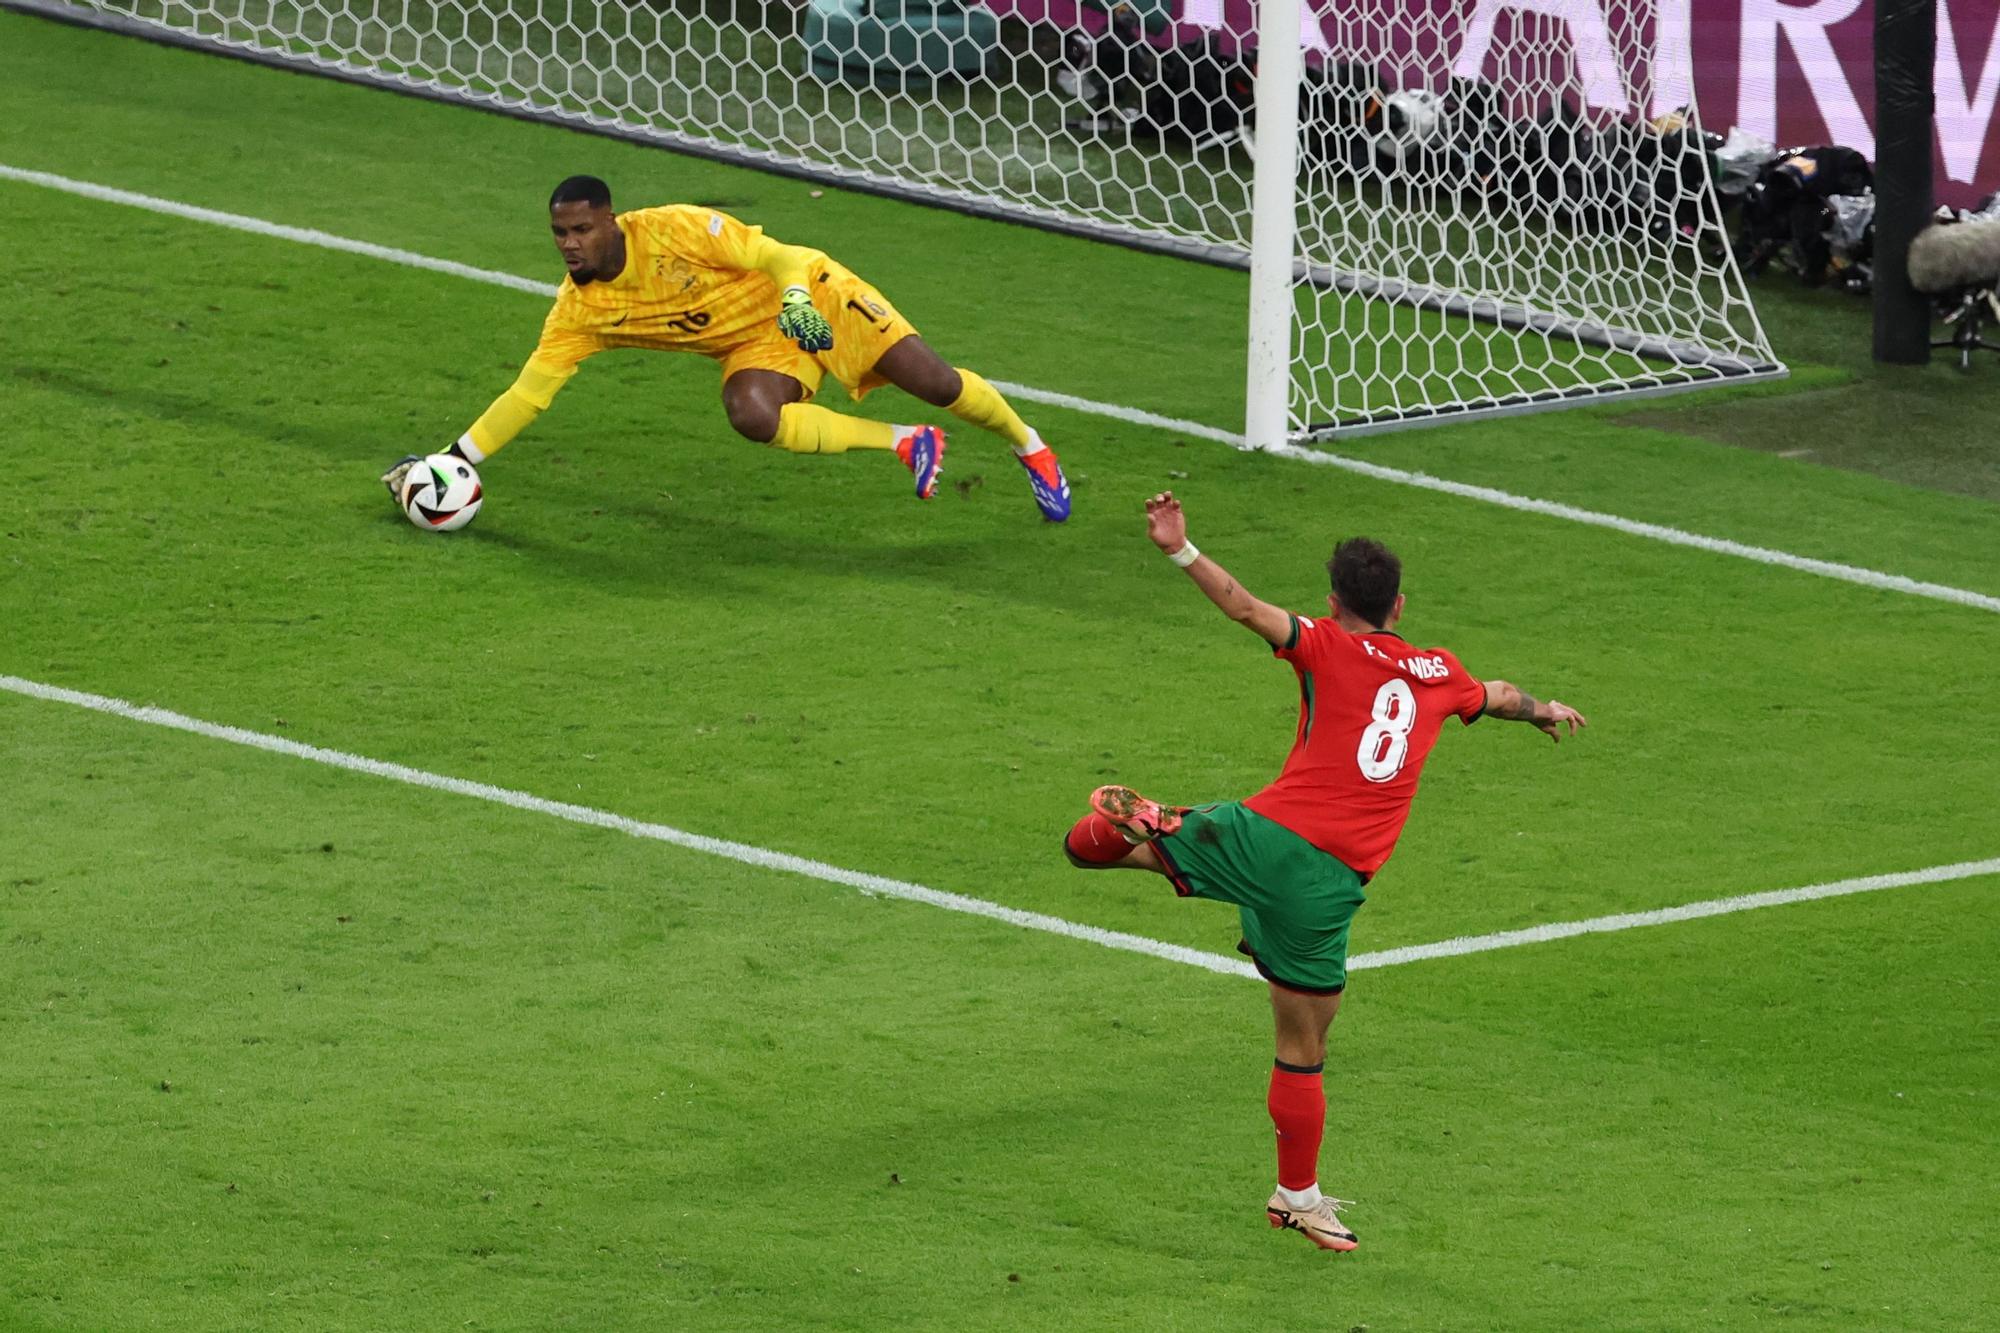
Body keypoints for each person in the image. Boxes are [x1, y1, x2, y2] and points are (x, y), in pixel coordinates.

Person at [1062, 492, 1586, 1253]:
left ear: (1334, 601)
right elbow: (1500, 695)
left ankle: (1130, 831)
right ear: (1400, 603)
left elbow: (1243, 607)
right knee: (1302, 1043)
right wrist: (1542, 709)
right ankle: (1295, 1197)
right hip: (1328, 881)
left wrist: (1179, 547)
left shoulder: (1323, 644)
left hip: (1266, 837)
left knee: (1115, 852)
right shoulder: (1441, 672)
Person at [382, 175, 1070, 520]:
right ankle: (903, 440)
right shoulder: (579, 311)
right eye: (560, 233)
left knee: (939, 383)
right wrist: (452, 459)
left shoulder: (677, 230)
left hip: (813, 297)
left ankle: (1028, 444)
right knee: (750, 413)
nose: (569, 245)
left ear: (610, 222)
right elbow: (529, 394)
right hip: (755, 346)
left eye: (582, 230)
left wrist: (800, 298)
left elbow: (781, 254)